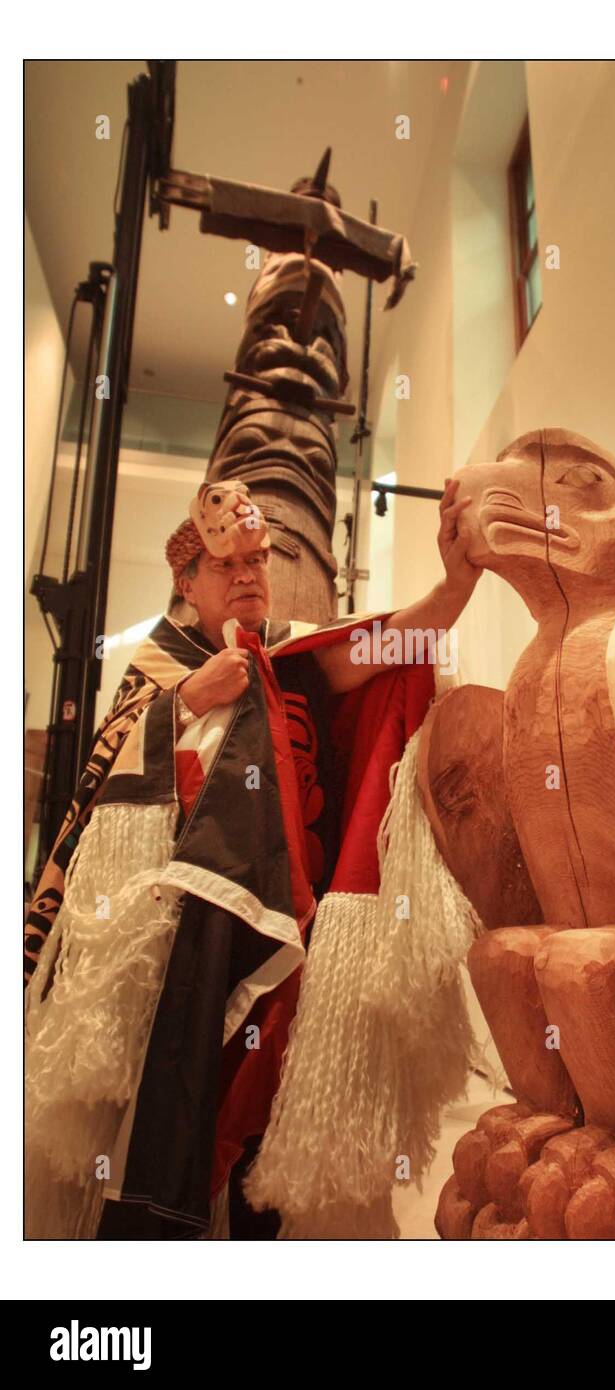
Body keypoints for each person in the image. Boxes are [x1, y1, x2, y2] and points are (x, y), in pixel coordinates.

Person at [24, 477, 480, 1239]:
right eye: (226, 566)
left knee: (258, 1127)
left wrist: (457, 582)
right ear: (187, 580)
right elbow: (97, 802)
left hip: (283, 930)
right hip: (167, 949)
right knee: (162, 1122)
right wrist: (185, 705)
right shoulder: (162, 667)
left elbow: (396, 639)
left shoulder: (292, 655)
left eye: (258, 562)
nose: (246, 577)